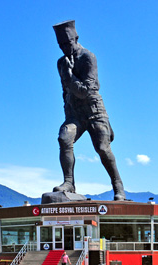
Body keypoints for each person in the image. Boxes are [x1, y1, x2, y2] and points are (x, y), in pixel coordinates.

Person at [52, 20, 126, 201]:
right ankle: (69, 182)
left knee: (102, 147)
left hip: (93, 109)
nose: (64, 48)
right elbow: (65, 91)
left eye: (67, 44)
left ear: (76, 38)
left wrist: (70, 76)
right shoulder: (61, 63)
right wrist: (68, 112)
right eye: (60, 45)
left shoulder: (88, 57)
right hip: (74, 113)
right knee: (64, 138)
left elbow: (86, 90)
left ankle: (118, 185)